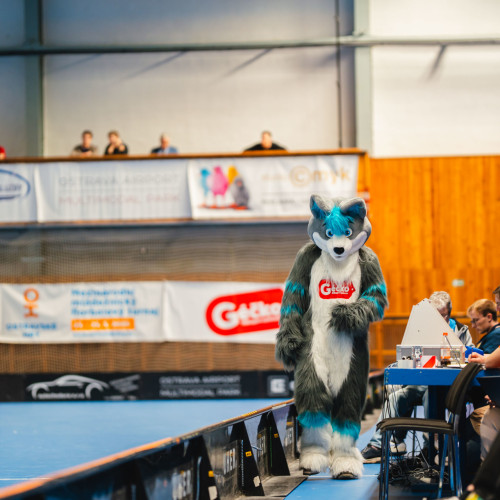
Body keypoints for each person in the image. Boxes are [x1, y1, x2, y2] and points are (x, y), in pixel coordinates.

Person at [361, 291, 474, 463]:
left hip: (449, 388)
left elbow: (469, 359)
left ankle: (430, 447)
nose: (438, 320)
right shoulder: (420, 330)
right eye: (434, 316)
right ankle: (380, 444)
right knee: (397, 397)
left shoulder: (461, 331)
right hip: (420, 384)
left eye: (442, 316)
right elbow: (407, 358)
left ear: (449, 313)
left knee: (430, 394)